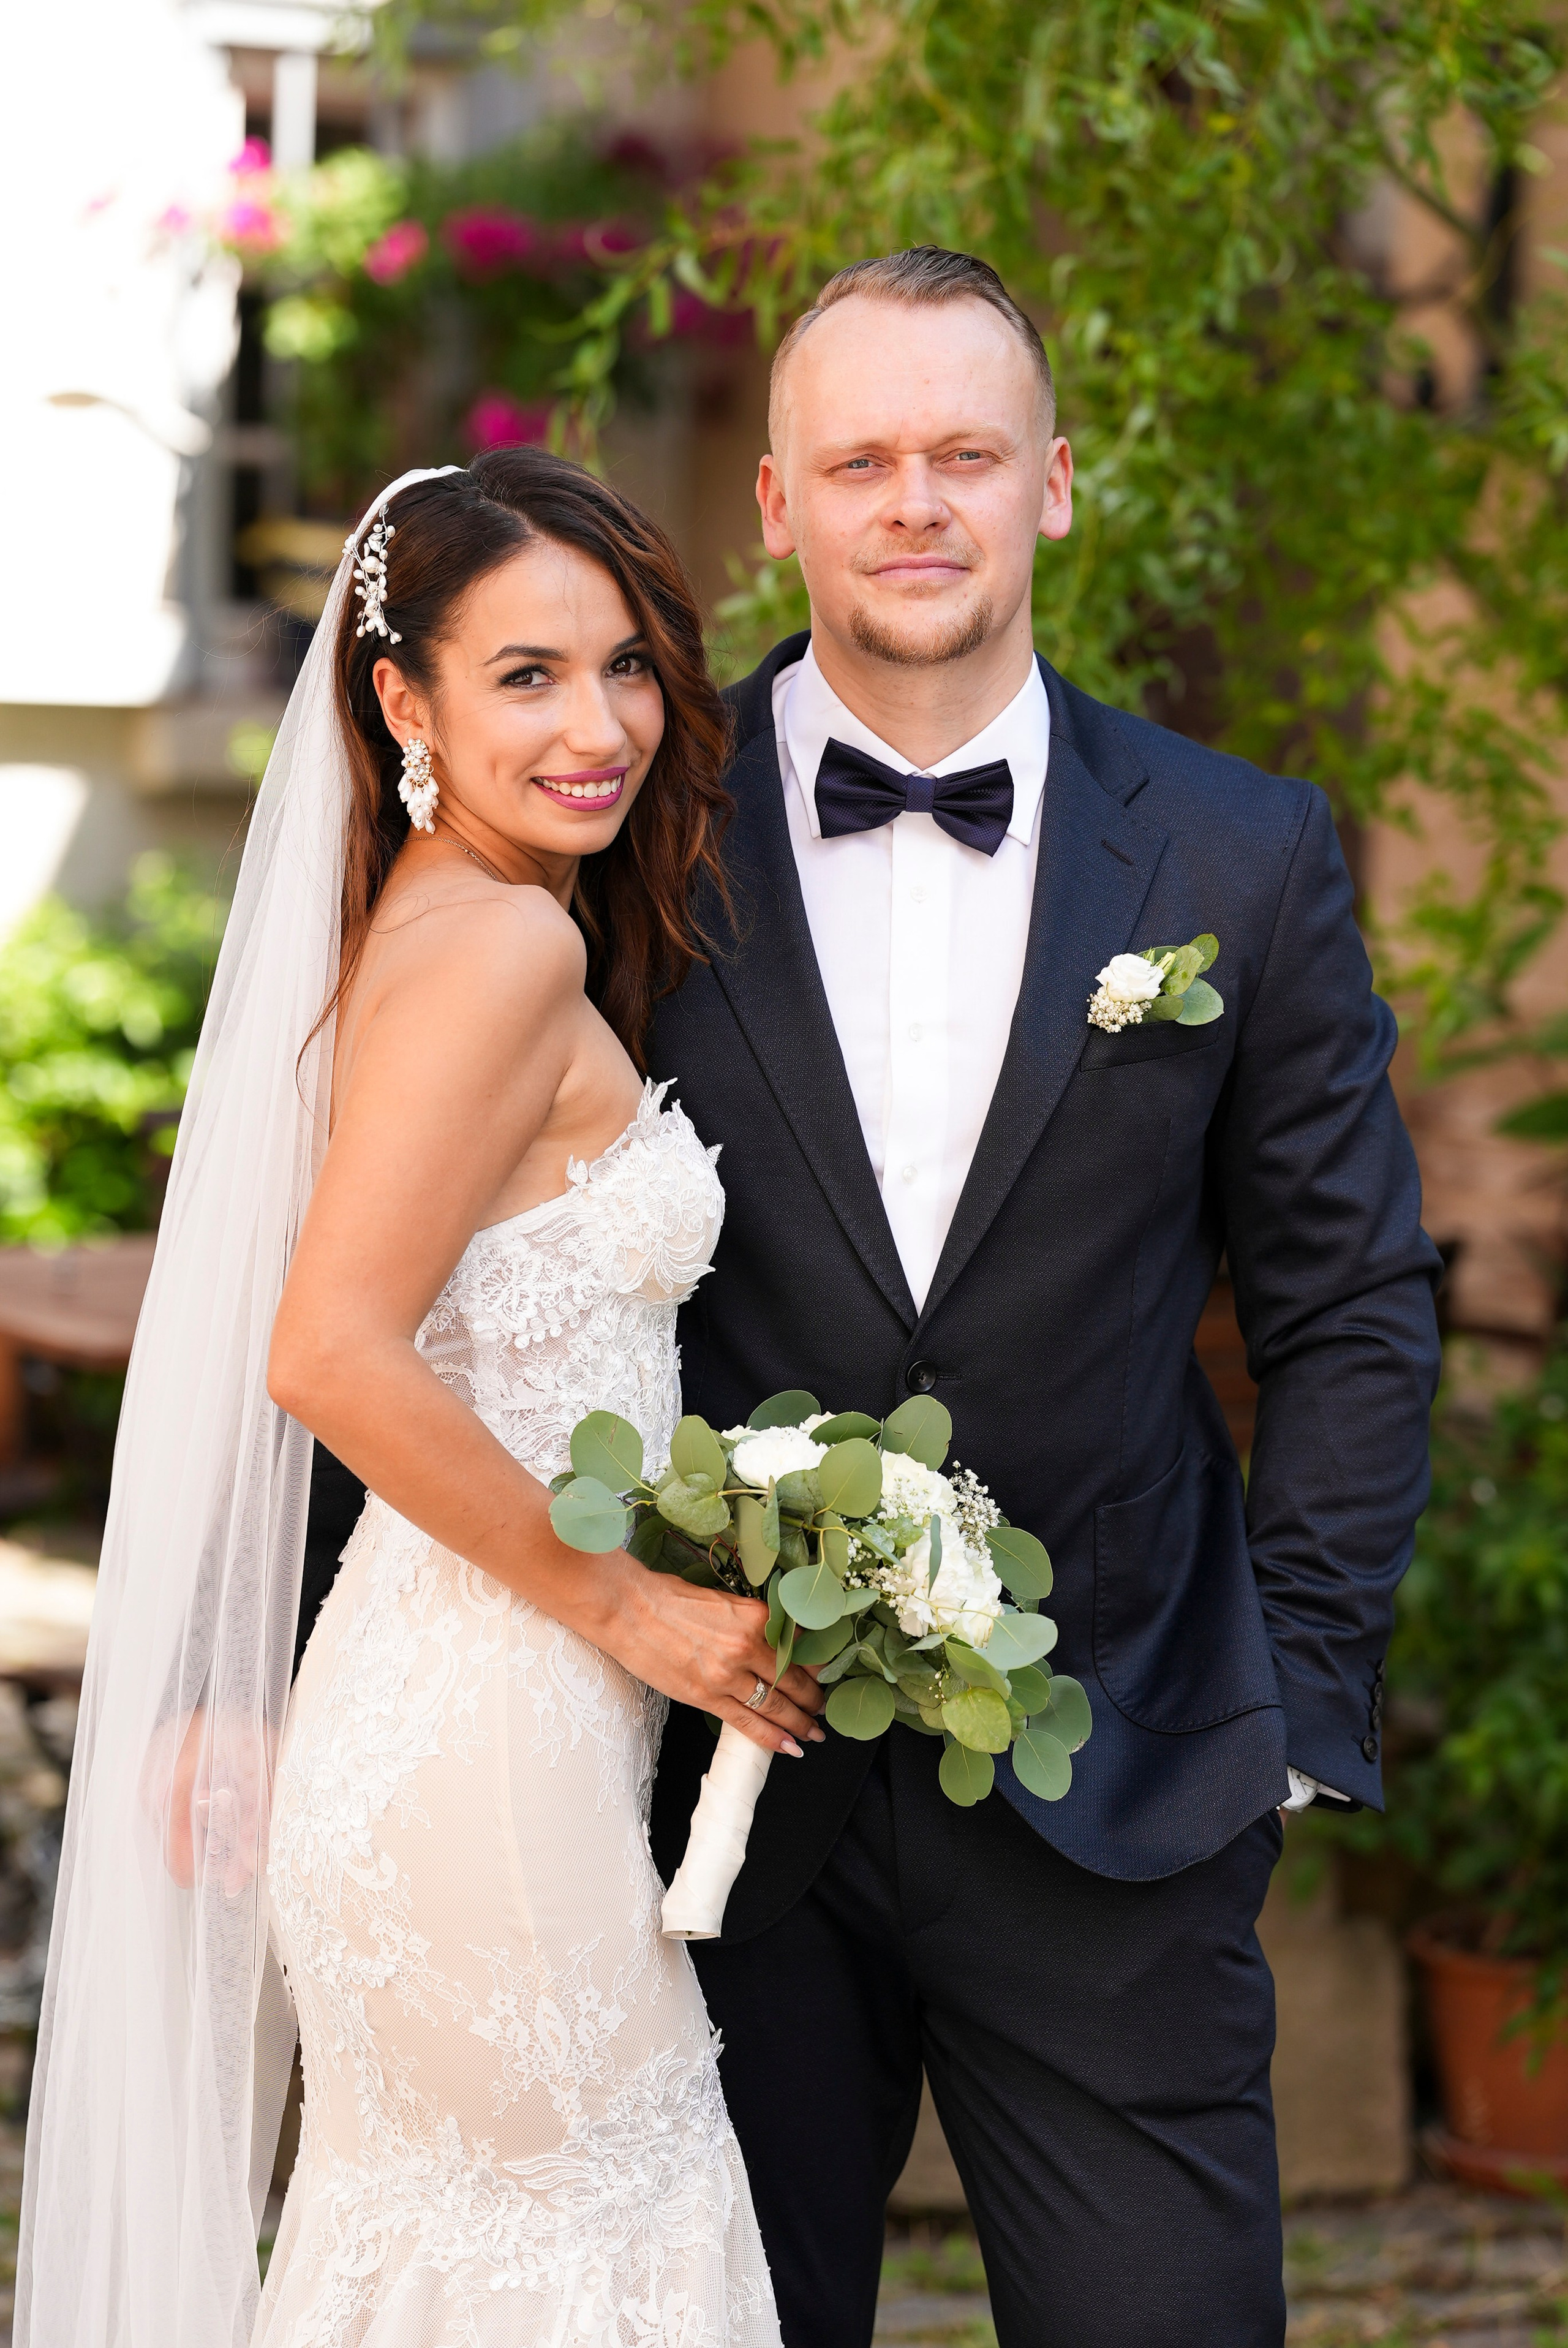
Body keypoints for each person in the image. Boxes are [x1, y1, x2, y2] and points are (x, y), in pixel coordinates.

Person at [297, 247, 1439, 2346]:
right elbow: (421, 1286)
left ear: (1055, 486)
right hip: (693, 1810)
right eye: (862, 459)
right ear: (775, 503)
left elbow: (1353, 1303)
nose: (915, 500)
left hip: (1126, 1789)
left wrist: (1290, 1715)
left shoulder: (1240, 853)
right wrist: (281, 1673)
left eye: (967, 454)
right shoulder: (626, 832)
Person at [18, 452, 824, 2347]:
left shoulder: (442, 925)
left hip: (476, 1710)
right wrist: (636, 1605)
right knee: (586, 2249)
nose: (602, 723)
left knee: (468, 2260)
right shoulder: (511, 946)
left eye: (627, 667)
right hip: (489, 1729)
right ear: (404, 701)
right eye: (527, 674)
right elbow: (326, 1351)